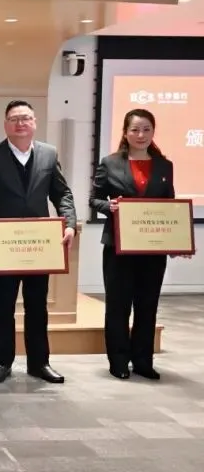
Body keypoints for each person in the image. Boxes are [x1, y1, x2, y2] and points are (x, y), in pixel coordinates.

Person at [0, 99, 77, 384]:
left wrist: (70, 224)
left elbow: (62, 194)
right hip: (4, 244)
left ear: (34, 122)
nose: (20, 123)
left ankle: (39, 363)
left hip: (40, 245)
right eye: (14, 119)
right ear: (5, 124)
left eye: (25, 118)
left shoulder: (49, 154)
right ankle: (2, 362)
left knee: (37, 305)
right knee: (3, 306)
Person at [89, 108, 178, 381]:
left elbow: (171, 207)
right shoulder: (110, 163)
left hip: (152, 249)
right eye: (135, 129)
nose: (141, 135)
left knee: (147, 305)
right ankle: (118, 361)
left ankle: (143, 361)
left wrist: (177, 241)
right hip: (119, 247)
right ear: (125, 133)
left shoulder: (164, 166)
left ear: (153, 132)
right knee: (118, 306)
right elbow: (94, 199)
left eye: (146, 129)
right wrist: (109, 207)